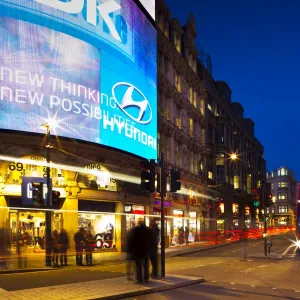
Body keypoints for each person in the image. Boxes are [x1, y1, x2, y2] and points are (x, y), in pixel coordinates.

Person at [129, 218, 150, 284]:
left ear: (138, 223)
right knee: (145, 264)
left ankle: (139, 279)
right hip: (146, 250)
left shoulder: (136, 230)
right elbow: (151, 239)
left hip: (138, 250)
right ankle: (146, 277)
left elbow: (132, 240)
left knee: (138, 265)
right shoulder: (147, 230)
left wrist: (131, 249)